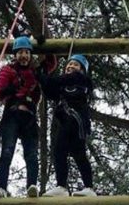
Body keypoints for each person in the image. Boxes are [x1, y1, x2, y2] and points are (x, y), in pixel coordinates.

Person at [0, 36, 57, 198]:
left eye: (27, 52)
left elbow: (51, 63)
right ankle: (2, 187)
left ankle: (31, 186)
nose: (24, 56)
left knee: (31, 154)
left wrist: (45, 46)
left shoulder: (35, 71)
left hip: (29, 116)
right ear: (15, 55)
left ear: (30, 54)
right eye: (20, 52)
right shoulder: (9, 70)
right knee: (7, 151)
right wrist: (10, 90)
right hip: (12, 114)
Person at [38, 54, 96, 197]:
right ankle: (65, 187)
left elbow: (57, 81)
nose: (71, 66)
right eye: (69, 64)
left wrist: (46, 78)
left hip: (77, 119)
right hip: (68, 121)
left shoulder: (81, 79)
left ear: (82, 70)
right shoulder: (63, 88)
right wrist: (40, 72)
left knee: (63, 149)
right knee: (72, 153)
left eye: (75, 65)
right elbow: (48, 88)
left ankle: (84, 187)